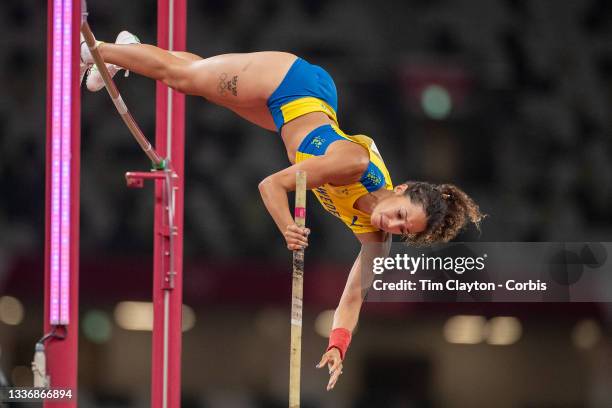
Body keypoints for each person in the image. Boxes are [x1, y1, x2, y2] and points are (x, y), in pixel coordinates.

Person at [80, 32, 484, 390]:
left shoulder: (376, 239)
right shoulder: (354, 165)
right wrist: (288, 226)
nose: (389, 224)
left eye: (402, 229)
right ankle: (99, 50)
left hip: (294, 115)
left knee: (200, 82)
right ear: (402, 189)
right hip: (293, 84)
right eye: (399, 212)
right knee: (185, 78)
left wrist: (338, 345)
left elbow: (354, 297)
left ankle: (126, 51)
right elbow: (271, 184)